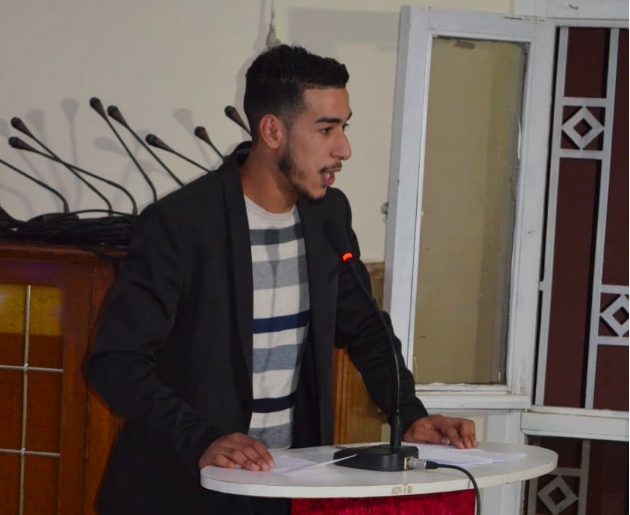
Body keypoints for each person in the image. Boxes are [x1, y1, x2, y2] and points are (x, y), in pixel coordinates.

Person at [87, 44, 476, 515]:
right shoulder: (181, 224)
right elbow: (116, 360)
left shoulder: (328, 215)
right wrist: (200, 441)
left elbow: (365, 329)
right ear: (272, 130)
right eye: (326, 129)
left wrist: (409, 414)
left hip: (284, 482)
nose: (344, 149)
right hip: (184, 487)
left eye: (344, 127)